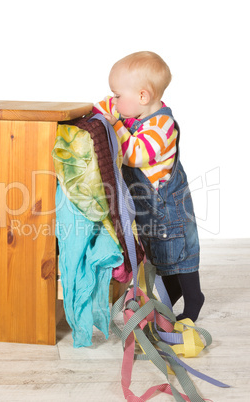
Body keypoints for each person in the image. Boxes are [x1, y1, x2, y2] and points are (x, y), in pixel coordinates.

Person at [93, 51, 205, 322]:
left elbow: (134, 154)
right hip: (148, 208)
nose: (114, 101)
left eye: (119, 95)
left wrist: (116, 124)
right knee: (157, 256)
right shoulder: (135, 113)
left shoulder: (162, 126)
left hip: (169, 211)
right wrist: (110, 110)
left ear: (142, 97)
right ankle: (171, 293)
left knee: (179, 255)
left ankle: (193, 299)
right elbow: (102, 106)